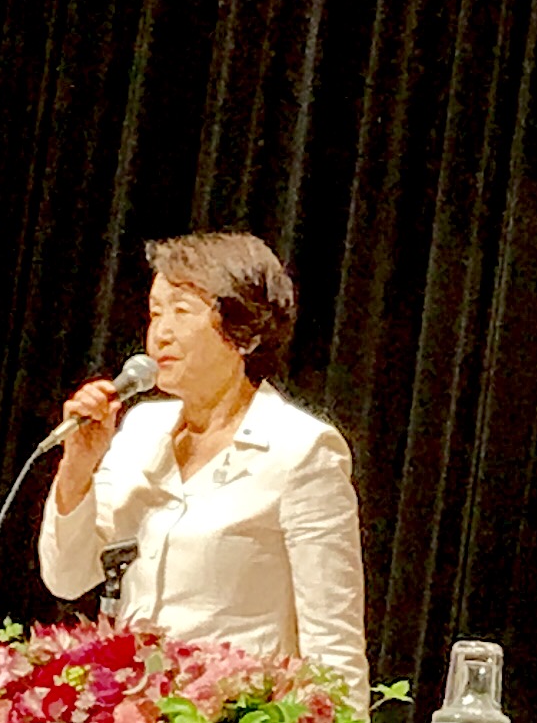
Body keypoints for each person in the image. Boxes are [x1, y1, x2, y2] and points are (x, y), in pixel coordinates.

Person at [39, 231, 368, 694]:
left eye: (182, 311)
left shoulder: (302, 450)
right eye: (155, 312)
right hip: (132, 716)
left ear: (244, 331)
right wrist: (78, 467)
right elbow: (67, 578)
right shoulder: (141, 430)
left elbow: (333, 640)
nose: (161, 333)